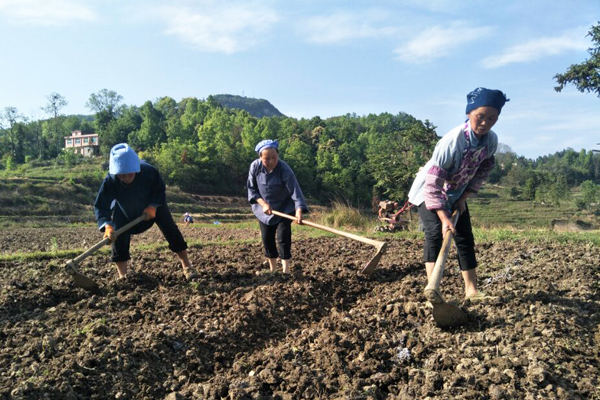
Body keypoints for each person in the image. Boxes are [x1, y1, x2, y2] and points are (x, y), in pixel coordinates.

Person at [407, 87, 509, 302]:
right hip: (429, 193)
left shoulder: (490, 141)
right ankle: (433, 290)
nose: (485, 122)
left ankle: (471, 290)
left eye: (492, 118)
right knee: (435, 234)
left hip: (456, 193)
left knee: (464, 237)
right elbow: (433, 183)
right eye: (480, 116)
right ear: (469, 114)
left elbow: (483, 171)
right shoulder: (452, 141)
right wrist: (444, 217)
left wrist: (463, 198)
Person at [94, 143, 199, 281]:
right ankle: (123, 277)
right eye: (121, 175)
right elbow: (102, 205)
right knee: (117, 239)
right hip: (125, 208)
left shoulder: (148, 172)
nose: (125, 177)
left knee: (171, 230)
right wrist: (107, 225)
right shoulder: (110, 181)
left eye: (129, 173)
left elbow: (160, 190)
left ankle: (187, 265)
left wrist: (153, 206)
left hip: (152, 206)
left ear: (135, 168)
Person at [247, 139, 308, 274]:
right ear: (260, 157)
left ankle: (286, 271)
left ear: (278, 156)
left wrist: (298, 210)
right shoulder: (255, 167)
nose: (271, 161)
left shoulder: (284, 168)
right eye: (267, 158)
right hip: (263, 210)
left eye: (274, 157)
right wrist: (263, 204)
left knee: (283, 238)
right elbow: (252, 189)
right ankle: (273, 269)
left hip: (284, 208)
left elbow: (295, 190)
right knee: (267, 238)